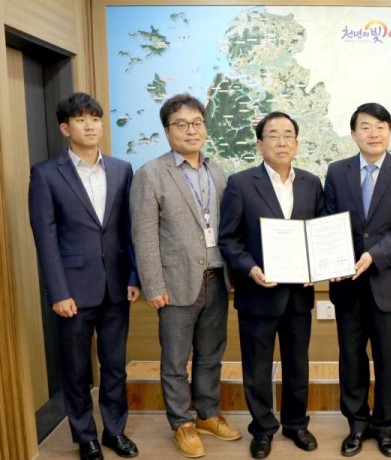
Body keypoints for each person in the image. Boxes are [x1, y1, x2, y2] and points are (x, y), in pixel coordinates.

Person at [28, 92, 140, 460]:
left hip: (116, 287)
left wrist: (134, 276)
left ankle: (114, 432)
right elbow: (45, 239)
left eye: (95, 118)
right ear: (65, 128)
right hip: (73, 291)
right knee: (76, 370)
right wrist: (58, 292)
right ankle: (85, 436)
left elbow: (128, 229)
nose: (90, 125)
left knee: (115, 366)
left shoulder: (122, 169)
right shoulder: (46, 174)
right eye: (80, 119)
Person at [130, 94, 241, 458]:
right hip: (175, 284)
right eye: (181, 124)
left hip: (217, 279)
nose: (191, 130)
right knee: (175, 361)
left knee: (211, 355)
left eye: (197, 123)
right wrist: (153, 285)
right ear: (167, 131)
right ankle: (181, 422)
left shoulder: (217, 171)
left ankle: (207, 414)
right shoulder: (151, 174)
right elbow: (144, 234)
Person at [218, 112, 323, 459]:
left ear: (297, 143)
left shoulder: (311, 183)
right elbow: (229, 239)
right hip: (257, 293)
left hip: (298, 295)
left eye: (288, 135)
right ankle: (262, 429)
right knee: (257, 368)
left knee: (297, 365)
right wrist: (250, 269)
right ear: (259, 143)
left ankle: (295, 424)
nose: (281, 142)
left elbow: (320, 233)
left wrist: (318, 265)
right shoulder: (240, 183)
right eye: (273, 135)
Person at [323, 102, 391, 457]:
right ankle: (356, 424)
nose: (374, 133)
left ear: (390, 132)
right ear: (353, 134)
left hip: (388, 283)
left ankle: (383, 427)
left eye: (381, 126)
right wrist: (331, 260)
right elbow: (328, 221)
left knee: (386, 359)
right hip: (347, 284)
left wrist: (373, 254)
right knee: (351, 357)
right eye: (365, 126)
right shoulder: (337, 171)